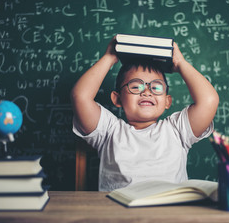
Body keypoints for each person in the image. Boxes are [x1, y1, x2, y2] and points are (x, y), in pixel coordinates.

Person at [71, 36, 219, 191]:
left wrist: (181, 64)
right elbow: (80, 97)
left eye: (156, 87)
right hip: (118, 211)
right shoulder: (109, 130)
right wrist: (109, 58)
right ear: (117, 98)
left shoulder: (177, 129)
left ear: (167, 101)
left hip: (169, 211)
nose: (147, 92)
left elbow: (209, 101)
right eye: (135, 86)